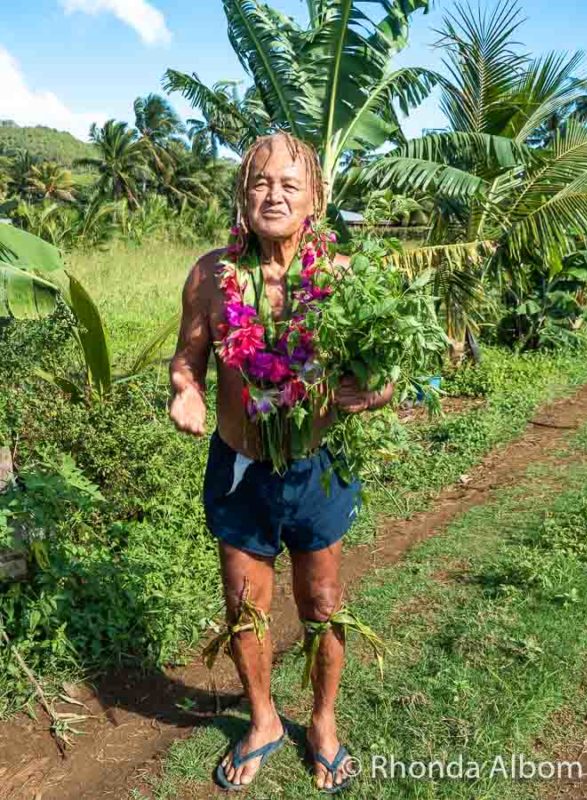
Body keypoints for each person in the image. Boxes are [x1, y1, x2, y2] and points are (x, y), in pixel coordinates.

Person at [169, 132, 394, 792]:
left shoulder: (343, 280)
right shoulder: (210, 274)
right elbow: (188, 359)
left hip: (316, 469)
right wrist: (184, 391)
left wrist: (370, 393)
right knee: (244, 606)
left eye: (289, 185)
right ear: (243, 195)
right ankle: (265, 720)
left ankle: (322, 723)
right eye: (260, 183)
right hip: (240, 469)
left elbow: (379, 375)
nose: (273, 195)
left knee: (323, 603)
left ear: (314, 199)